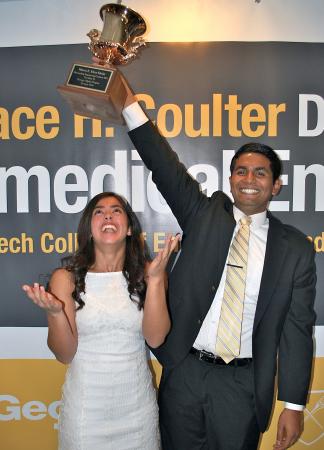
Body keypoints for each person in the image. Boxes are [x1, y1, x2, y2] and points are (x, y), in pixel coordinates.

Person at [109, 76, 316, 450]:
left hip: (243, 383)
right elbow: (164, 166)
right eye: (241, 171)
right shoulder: (204, 214)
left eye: (260, 172)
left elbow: (298, 330)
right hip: (185, 371)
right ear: (231, 179)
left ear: (276, 186)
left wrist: (294, 404)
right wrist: (127, 103)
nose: (249, 179)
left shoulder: (296, 250)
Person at [22, 191, 180, 450]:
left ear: (129, 228)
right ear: (90, 229)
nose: (108, 215)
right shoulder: (66, 278)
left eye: (116, 210)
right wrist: (55, 313)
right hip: (85, 414)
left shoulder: (149, 273)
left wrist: (157, 279)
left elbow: (156, 337)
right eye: (99, 211)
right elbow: (64, 354)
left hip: (137, 412)